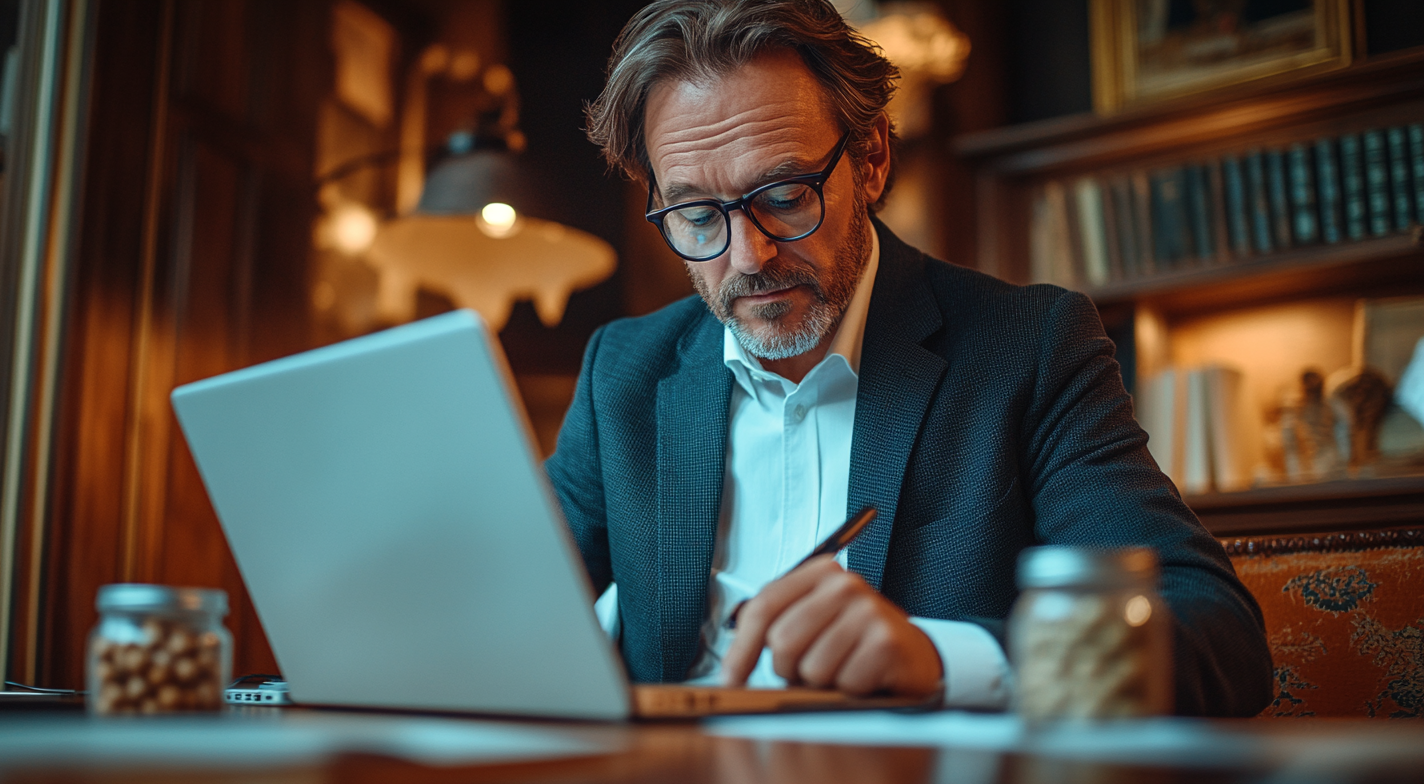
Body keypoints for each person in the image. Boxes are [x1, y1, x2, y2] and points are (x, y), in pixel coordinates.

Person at [545, 0, 1272, 716]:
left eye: (787, 195)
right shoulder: (624, 372)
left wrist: (937, 659)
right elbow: (501, 607)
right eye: (698, 215)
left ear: (872, 159)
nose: (748, 256)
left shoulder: (1029, 347)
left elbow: (1218, 636)